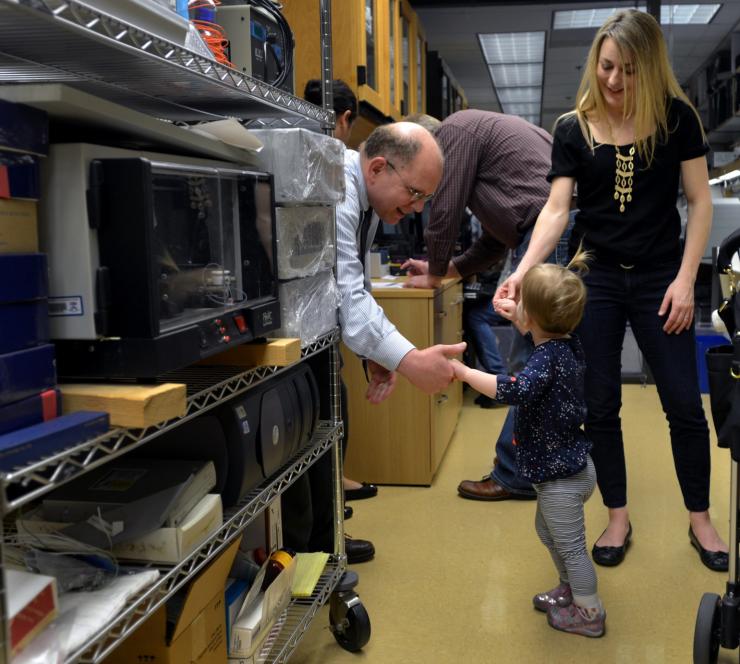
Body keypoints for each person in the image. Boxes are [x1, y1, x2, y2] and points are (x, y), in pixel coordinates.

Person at [496, 9, 728, 570]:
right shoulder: (573, 127)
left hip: (660, 277)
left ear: (648, 69)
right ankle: (617, 514)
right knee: (599, 406)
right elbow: (557, 209)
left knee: (682, 403)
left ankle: (700, 517)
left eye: (627, 70)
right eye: (606, 67)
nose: (615, 81)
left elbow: (699, 201)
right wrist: (524, 270)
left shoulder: (678, 119)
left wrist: (685, 279)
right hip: (595, 277)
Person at [285, 120, 465, 564]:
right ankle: (308, 555)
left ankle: (328, 543)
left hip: (317, 335)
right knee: (305, 439)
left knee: (334, 418)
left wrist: (372, 354)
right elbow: (347, 293)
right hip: (289, 342)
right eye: (416, 193)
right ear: (378, 168)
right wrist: (409, 360)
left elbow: (354, 282)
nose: (418, 209)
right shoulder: (340, 192)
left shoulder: (362, 195)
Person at [403, 109, 571, 501]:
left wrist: (437, 271)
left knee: (533, 359)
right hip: (552, 228)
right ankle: (544, 463)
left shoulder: (455, 132)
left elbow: (445, 208)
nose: (422, 191)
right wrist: (447, 269)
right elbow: (496, 241)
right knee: (551, 357)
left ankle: (516, 475)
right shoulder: (482, 141)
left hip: (550, 231)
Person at [451, 249, 606, 638]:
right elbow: (539, 330)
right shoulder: (566, 344)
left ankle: (589, 612)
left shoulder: (543, 359)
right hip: (569, 467)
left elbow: (514, 389)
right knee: (547, 531)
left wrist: (466, 373)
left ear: (533, 318)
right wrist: (518, 312)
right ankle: (570, 589)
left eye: (521, 305)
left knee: (571, 546)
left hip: (561, 479)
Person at [304, 78, 379, 503]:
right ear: (346, 118)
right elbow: (350, 275)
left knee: (332, 397)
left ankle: (336, 487)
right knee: (329, 403)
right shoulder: (342, 172)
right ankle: (331, 503)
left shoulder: (332, 165)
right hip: (314, 310)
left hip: (317, 307)